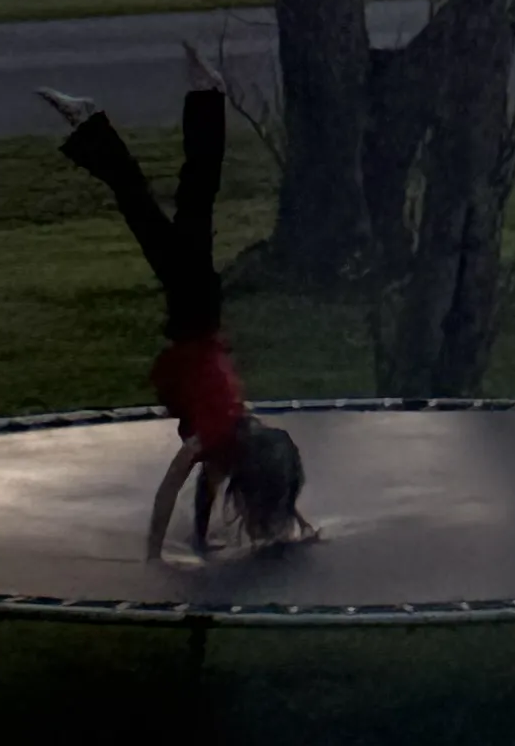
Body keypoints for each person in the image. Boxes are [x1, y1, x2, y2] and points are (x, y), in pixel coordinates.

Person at [39, 53, 313, 561]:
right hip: (194, 312)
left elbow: (208, 491)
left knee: (174, 201)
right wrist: (152, 556)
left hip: (199, 312)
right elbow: (171, 490)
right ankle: (184, 102)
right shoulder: (211, 441)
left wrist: (201, 537)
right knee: (153, 205)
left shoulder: (233, 434)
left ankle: (173, 103)